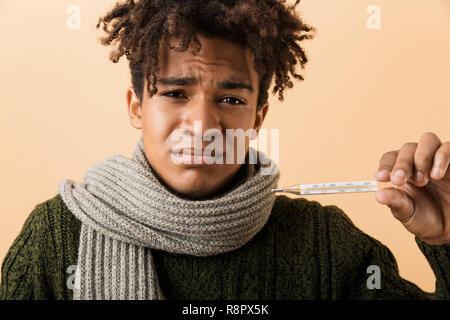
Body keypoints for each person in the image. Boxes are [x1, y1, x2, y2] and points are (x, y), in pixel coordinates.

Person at [1, 0, 449, 300]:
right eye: (175, 93)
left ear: (257, 116)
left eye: (231, 100)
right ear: (137, 107)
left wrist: (447, 238)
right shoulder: (58, 239)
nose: (201, 126)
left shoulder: (325, 245)